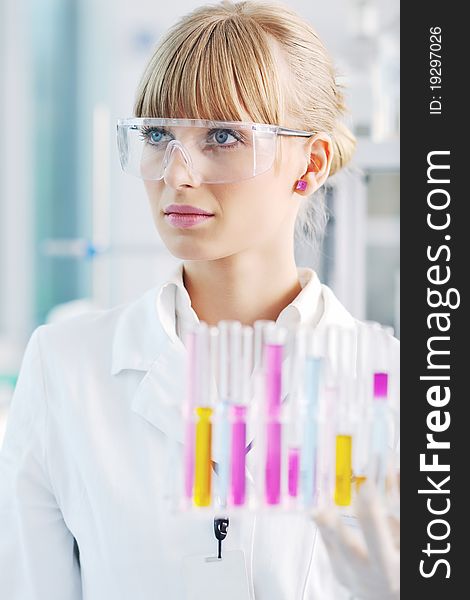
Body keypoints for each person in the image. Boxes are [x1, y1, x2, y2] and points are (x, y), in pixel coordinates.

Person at [0, 1, 398, 598]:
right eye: (159, 134)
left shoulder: (394, 385)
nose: (178, 174)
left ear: (309, 164)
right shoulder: (66, 369)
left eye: (222, 136)